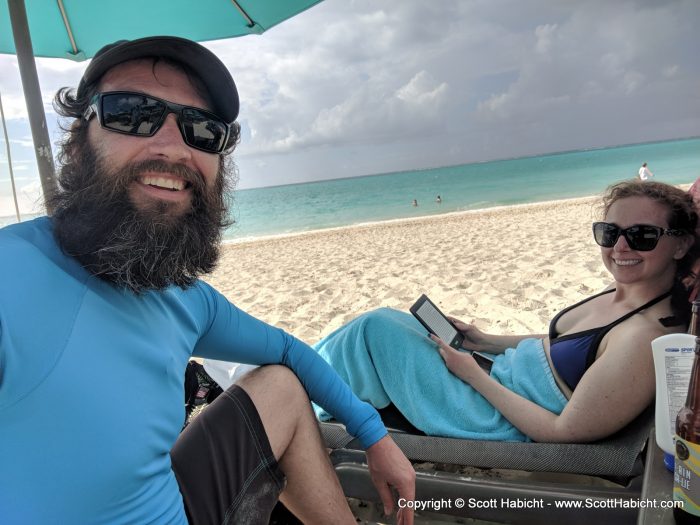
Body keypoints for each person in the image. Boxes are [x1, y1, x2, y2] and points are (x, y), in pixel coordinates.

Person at [0, 36, 415, 525]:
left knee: (280, 384)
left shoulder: (183, 298)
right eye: (132, 113)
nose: (174, 148)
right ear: (77, 141)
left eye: (202, 130)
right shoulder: (13, 277)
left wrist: (375, 436)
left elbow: (286, 350)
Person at [314, 180, 699, 443]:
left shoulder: (644, 338)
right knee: (395, 322)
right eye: (610, 233)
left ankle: (306, 398)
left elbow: (563, 431)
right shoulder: (627, 295)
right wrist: (485, 341)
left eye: (642, 236)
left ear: (680, 246)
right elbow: (564, 345)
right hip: (496, 373)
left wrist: (473, 375)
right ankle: (308, 380)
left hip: (492, 411)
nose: (620, 248)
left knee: (374, 329)